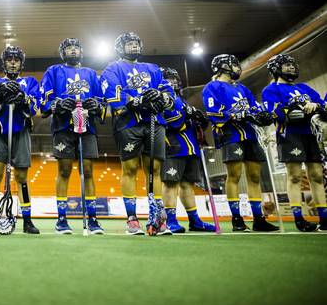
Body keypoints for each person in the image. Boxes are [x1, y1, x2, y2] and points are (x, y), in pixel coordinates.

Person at [100, 32, 174, 235]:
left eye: (135, 43)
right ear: (119, 48)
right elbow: (113, 95)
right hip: (128, 123)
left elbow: (168, 92)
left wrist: (161, 96)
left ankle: (157, 218)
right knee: (130, 167)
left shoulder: (152, 68)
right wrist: (138, 100)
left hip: (154, 121)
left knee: (155, 169)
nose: (133, 47)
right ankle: (132, 219)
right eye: (128, 44)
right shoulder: (112, 68)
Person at [202, 54, 278, 232]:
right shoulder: (212, 87)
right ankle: (237, 219)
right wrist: (237, 115)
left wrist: (262, 114)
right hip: (230, 135)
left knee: (254, 176)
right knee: (234, 175)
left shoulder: (243, 88)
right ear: (223, 67)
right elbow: (213, 113)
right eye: (234, 65)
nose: (237, 68)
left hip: (250, 135)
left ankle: (258, 218)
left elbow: (254, 107)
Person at [40, 38, 106, 234]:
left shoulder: (91, 74)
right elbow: (45, 101)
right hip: (63, 127)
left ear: (81, 51)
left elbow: (101, 102)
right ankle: (61, 219)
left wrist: (97, 106)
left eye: (76, 47)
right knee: (64, 170)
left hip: (87, 127)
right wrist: (56, 105)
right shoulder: (53, 71)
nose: (73, 50)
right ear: (62, 52)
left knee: (88, 169)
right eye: (69, 48)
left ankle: (93, 219)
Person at [0, 46, 40, 234]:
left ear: (21, 63)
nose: (13, 62)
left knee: (22, 178)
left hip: (21, 132)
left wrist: (23, 99)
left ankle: (27, 221)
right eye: (9, 59)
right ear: (4, 62)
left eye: (16, 59)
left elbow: (34, 108)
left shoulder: (30, 82)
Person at [262, 54, 327, 231]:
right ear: (276, 69)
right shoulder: (270, 90)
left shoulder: (305, 87)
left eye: (292, 64)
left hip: (310, 134)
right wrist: (295, 109)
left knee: (316, 175)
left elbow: (322, 105)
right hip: (289, 135)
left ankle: (324, 217)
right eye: (286, 65)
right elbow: (274, 112)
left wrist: (316, 107)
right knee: (295, 176)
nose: (291, 67)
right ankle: (299, 218)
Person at [160, 67, 216, 233]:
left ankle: (195, 220)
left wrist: (199, 121)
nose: (172, 82)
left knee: (187, 184)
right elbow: (171, 121)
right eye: (167, 79)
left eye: (174, 79)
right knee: (170, 183)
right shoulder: (162, 99)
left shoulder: (182, 99)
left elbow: (190, 122)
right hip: (172, 146)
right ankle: (170, 220)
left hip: (190, 148)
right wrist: (187, 115)